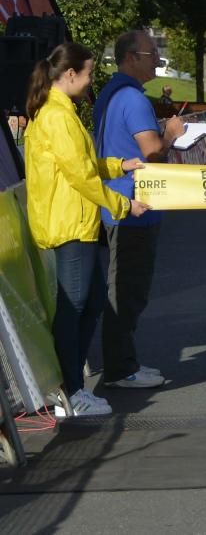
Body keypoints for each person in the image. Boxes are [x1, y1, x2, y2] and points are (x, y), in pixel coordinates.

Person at [24, 43, 150, 416]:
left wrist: (117, 165)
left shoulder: (60, 112)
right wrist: (124, 204)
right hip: (69, 223)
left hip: (75, 220)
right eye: (90, 73)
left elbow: (83, 163)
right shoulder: (57, 116)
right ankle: (71, 392)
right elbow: (80, 173)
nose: (92, 79)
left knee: (89, 303)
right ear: (70, 75)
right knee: (74, 306)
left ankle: (72, 389)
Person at [92, 30, 185, 390]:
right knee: (129, 288)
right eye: (152, 54)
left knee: (124, 286)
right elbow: (152, 153)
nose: (158, 59)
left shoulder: (112, 94)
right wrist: (172, 134)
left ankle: (123, 363)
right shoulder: (132, 99)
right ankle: (121, 368)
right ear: (132, 57)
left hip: (119, 203)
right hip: (134, 206)